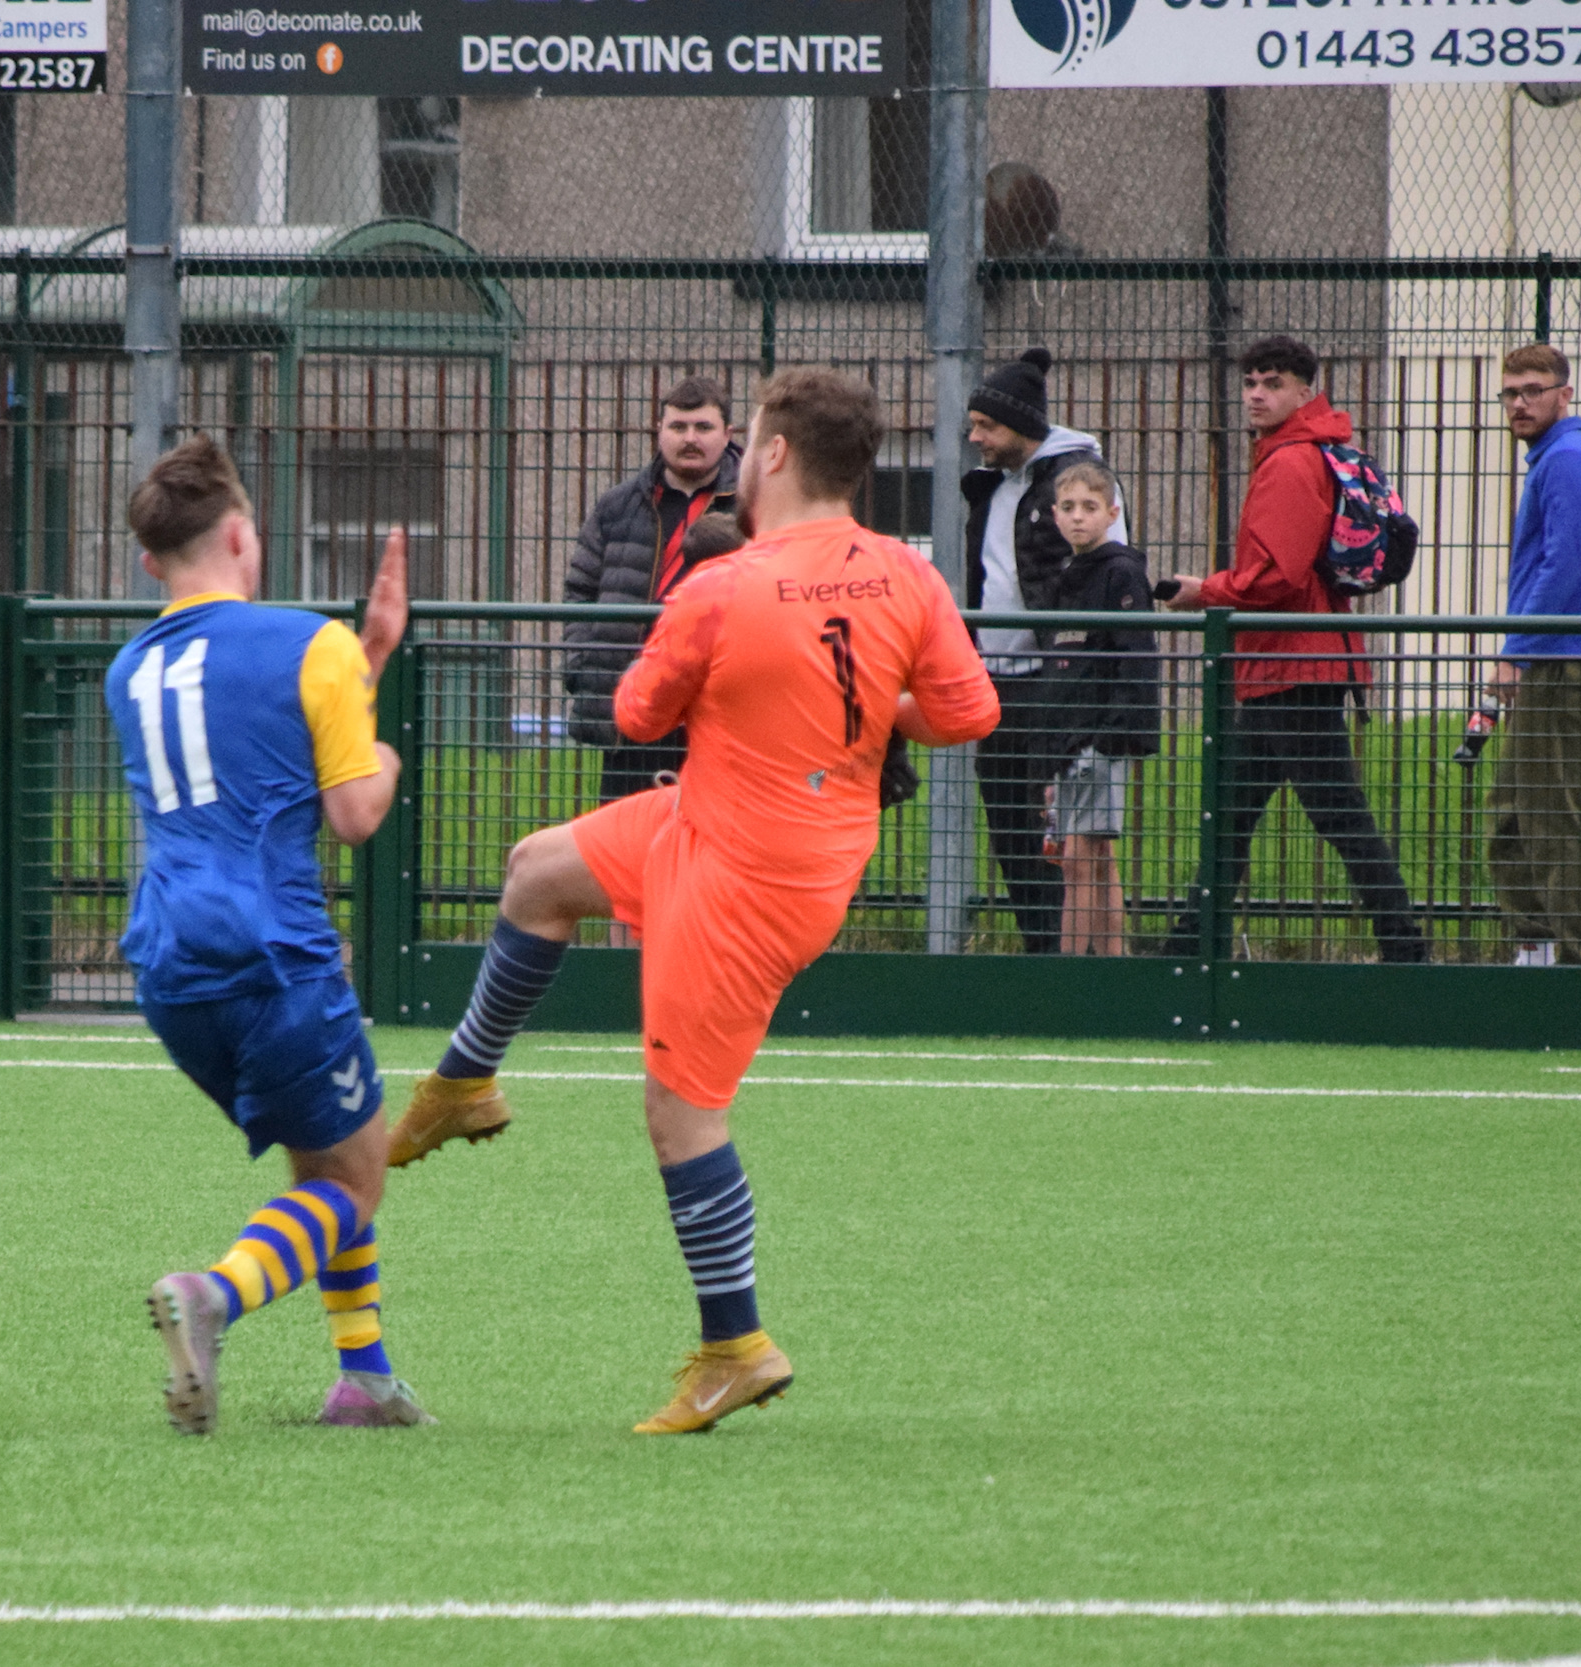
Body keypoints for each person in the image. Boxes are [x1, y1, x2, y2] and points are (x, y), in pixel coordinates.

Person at [389, 368, 1001, 1435]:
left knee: (681, 1112)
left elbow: (635, 714)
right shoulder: (907, 572)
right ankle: (463, 1082)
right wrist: (860, 709)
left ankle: (736, 1348)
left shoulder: (721, 586)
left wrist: (716, 671)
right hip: (734, 828)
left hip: (744, 875)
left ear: (772, 454)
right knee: (538, 871)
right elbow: (967, 712)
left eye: (747, 439)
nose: (737, 457)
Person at [109, 435, 432, 1436]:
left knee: (320, 1158)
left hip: (168, 969)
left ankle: (366, 1381)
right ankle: (213, 1295)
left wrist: (367, 658)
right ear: (244, 536)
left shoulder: (128, 669)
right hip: (275, 957)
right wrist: (385, 750)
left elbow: (252, 735)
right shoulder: (308, 641)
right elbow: (353, 812)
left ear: (151, 561)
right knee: (355, 1176)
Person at [1160, 335, 1427, 963]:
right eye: (1250, 382)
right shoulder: (1304, 452)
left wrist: (1205, 592)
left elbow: (1277, 577)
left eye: (1272, 383)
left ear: (1305, 392)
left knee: (1336, 815)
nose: (1256, 394)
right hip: (1289, 661)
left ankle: (1407, 953)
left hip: (1295, 664)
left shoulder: (1289, 462)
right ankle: (1186, 952)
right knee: (1232, 817)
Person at [962, 347, 1127, 954]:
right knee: (1012, 828)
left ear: (1022, 425)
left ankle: (1078, 963)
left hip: (1053, 682)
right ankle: (1044, 954)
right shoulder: (997, 486)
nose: (975, 437)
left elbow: (1102, 578)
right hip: (996, 679)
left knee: (1068, 841)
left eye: (987, 426)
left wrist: (1076, 678)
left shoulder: (1076, 481)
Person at [1488, 343, 1581, 968]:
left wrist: (1515, 652)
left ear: (1564, 395)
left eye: (1533, 390)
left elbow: (1561, 567)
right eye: (1511, 392)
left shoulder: (1567, 461)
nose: (1520, 403)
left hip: (1565, 658)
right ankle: (1536, 952)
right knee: (1513, 814)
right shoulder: (1556, 458)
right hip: (1557, 654)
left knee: (1549, 817)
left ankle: (1580, 966)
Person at [563, 375, 740, 804]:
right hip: (631, 703)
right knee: (624, 835)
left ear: (728, 434)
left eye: (703, 427)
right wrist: (583, 668)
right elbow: (579, 591)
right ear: (659, 431)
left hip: (715, 707)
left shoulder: (755, 505)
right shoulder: (618, 505)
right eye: (678, 426)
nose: (690, 438)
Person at [1040, 460, 1158, 957]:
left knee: (1080, 860)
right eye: (1068, 507)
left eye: (1089, 507)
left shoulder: (1121, 572)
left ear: (1112, 513)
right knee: (1097, 857)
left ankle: (1072, 973)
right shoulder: (1067, 575)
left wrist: (1114, 733)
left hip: (1099, 738)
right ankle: (1114, 962)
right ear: (1054, 514)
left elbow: (1136, 658)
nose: (1077, 517)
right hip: (1072, 738)